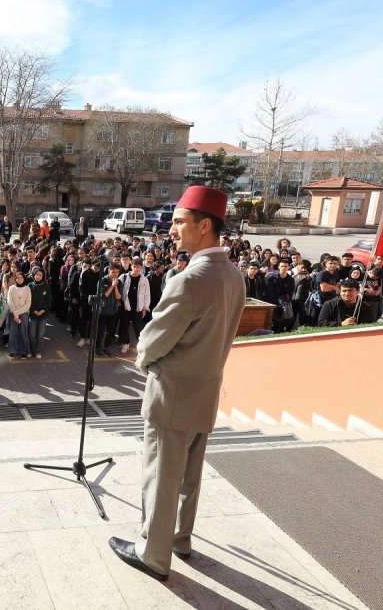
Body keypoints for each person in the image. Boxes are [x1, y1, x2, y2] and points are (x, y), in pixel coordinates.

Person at [109, 185, 245, 582]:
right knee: (188, 477)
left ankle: (153, 553)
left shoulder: (189, 280)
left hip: (172, 395)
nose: (171, 230)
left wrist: (142, 360)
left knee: (161, 476)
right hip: (205, 391)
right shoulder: (233, 275)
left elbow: (153, 340)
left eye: (179, 222)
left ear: (204, 226)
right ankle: (180, 540)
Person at [117, 258, 150, 354]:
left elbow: (147, 295)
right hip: (125, 307)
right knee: (124, 326)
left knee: (138, 328)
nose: (136, 269)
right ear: (131, 266)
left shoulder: (144, 280)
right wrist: (118, 302)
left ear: (141, 267)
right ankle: (126, 343)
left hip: (138, 308)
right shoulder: (123, 277)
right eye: (134, 267)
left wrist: (145, 308)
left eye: (138, 267)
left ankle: (141, 347)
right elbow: (117, 289)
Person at [6, 270, 31, 358]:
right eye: (18, 278)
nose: (19, 280)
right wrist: (15, 313)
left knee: (23, 331)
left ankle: (23, 350)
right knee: (13, 331)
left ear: (24, 279)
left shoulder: (27, 289)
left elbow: (28, 304)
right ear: (15, 279)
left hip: (23, 313)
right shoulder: (11, 288)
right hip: (13, 313)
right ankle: (12, 350)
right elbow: (9, 301)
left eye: (21, 278)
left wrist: (17, 313)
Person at [28, 267, 52, 359]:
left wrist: (42, 310)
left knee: (40, 335)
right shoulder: (30, 285)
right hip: (32, 314)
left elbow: (48, 300)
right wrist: (34, 310)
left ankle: (38, 351)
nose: (38, 276)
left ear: (43, 276)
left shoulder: (46, 286)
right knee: (31, 334)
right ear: (33, 275)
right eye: (36, 275)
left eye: (40, 275)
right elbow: (28, 300)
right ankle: (31, 350)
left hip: (43, 314)